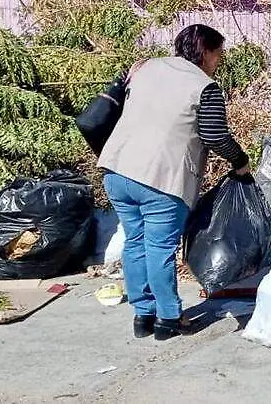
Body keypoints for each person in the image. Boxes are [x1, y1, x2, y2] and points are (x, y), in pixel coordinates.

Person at [98, 24, 251, 341]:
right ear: (206, 51)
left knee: (135, 242)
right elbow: (215, 137)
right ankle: (169, 319)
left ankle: (143, 316)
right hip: (160, 178)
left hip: (116, 169)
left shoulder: (147, 68)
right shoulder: (204, 86)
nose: (219, 61)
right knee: (159, 248)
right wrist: (240, 162)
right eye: (219, 53)